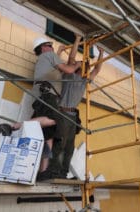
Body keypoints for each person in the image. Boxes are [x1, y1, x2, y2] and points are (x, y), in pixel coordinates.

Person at [47, 36, 105, 179]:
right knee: (60, 143)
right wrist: (77, 40)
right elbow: (71, 58)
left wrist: (101, 54)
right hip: (63, 112)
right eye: (84, 66)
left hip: (73, 116)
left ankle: (63, 172)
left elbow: (97, 70)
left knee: (69, 147)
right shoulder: (69, 75)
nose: (86, 68)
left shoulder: (84, 80)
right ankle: (53, 170)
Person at [30, 36, 82, 178]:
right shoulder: (49, 55)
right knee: (55, 122)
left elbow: (54, 67)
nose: (52, 48)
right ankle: (16, 125)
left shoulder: (44, 59)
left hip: (43, 94)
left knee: (49, 136)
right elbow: (69, 69)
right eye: (50, 45)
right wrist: (77, 64)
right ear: (44, 47)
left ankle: (43, 171)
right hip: (48, 94)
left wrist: (59, 51)